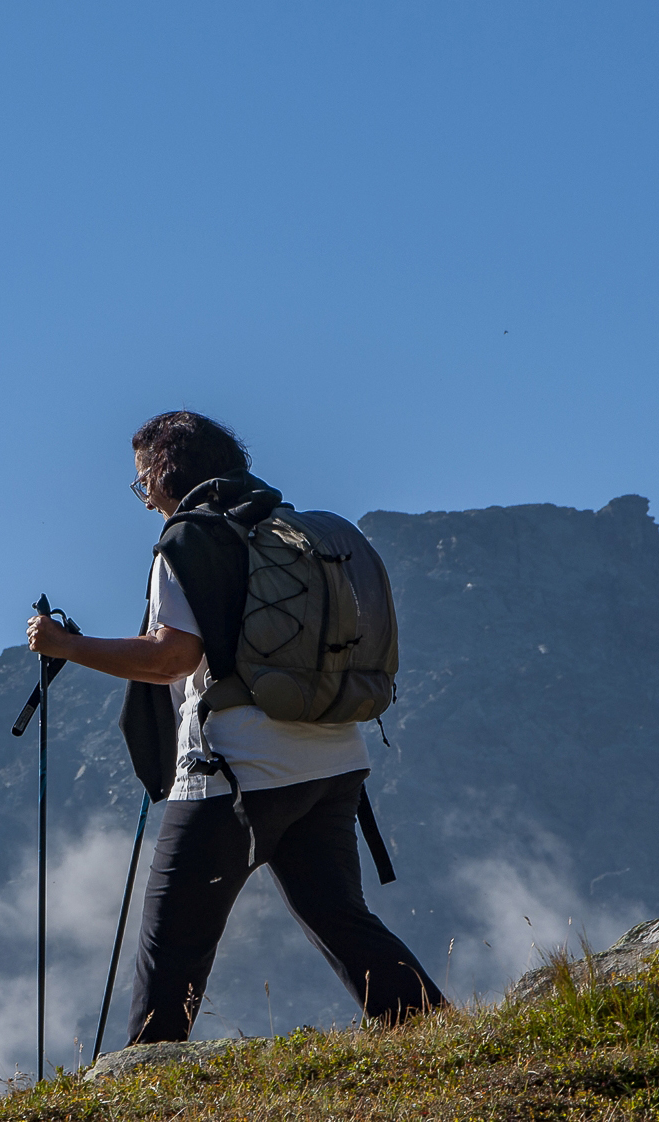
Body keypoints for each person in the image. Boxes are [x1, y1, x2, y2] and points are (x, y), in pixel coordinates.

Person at [26, 410, 447, 1043]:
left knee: (171, 943)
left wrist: (67, 646)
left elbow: (172, 657)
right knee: (339, 916)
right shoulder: (298, 530)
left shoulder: (189, 540)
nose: (145, 502)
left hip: (236, 773)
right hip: (334, 761)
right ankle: (431, 1031)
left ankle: (144, 1088)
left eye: (143, 483)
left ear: (168, 474)